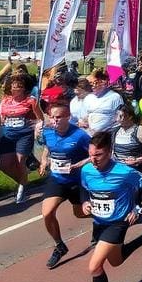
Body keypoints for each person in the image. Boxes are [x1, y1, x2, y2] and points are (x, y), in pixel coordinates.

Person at [79, 131, 142, 282]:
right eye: (91, 154)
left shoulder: (124, 172)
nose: (94, 159)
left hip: (118, 223)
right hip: (99, 223)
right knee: (116, 260)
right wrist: (85, 201)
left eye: (99, 155)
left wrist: (136, 207)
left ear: (110, 152)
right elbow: (83, 188)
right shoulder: (87, 170)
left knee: (95, 266)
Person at [39, 102, 92, 268]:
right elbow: (48, 148)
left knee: (81, 214)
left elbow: (95, 155)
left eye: (59, 117)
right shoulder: (48, 132)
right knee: (47, 213)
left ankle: (104, 219)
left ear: (68, 117)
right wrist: (43, 160)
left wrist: (79, 165)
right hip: (57, 179)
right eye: (53, 117)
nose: (55, 120)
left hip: (76, 181)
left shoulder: (80, 135)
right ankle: (60, 246)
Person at [0, 74, 43, 203]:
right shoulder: (5, 100)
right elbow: (2, 117)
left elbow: (40, 117)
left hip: (24, 134)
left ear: (24, 88)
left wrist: (37, 125)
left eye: (19, 87)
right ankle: (23, 181)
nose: (16, 90)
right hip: (7, 134)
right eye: (14, 87)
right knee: (4, 165)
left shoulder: (31, 101)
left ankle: (21, 189)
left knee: (20, 161)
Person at [81, 69, 124, 136]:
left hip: (108, 136)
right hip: (90, 136)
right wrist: (83, 122)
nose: (92, 86)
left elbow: (120, 119)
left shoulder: (115, 97)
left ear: (102, 82)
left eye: (95, 82)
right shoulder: (88, 98)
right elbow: (84, 117)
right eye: (90, 84)